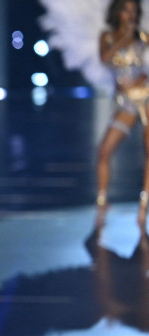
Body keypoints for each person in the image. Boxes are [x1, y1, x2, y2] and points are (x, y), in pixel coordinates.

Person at [96, 0, 149, 227]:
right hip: (126, 103)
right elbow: (104, 59)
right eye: (127, 11)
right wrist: (125, 39)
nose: (131, 15)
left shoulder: (143, 38)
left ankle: (143, 205)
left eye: (134, 11)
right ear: (118, 12)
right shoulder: (107, 37)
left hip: (146, 97)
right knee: (104, 150)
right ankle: (102, 202)